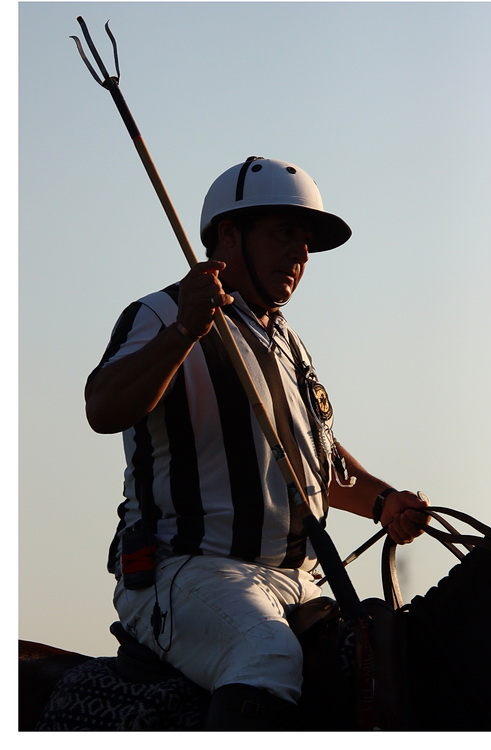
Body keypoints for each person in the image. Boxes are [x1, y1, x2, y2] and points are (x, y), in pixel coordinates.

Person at [85, 156, 430, 730]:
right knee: (267, 657)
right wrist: (185, 331)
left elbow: (312, 461)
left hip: (296, 581)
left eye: (306, 242)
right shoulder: (162, 312)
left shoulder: (288, 342)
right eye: (284, 233)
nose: (300, 253)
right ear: (228, 235)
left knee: (383, 658)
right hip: (187, 572)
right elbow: (102, 408)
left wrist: (382, 501)